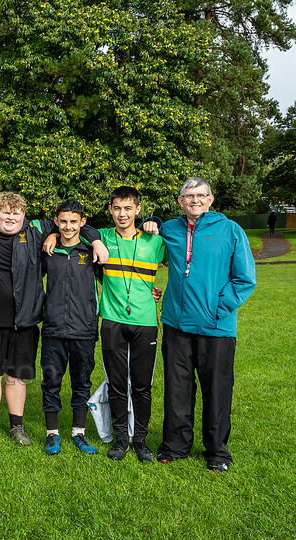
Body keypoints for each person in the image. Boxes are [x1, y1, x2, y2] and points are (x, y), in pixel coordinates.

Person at [0, 193, 107, 448]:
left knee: (16, 376)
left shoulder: (36, 229)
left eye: (16, 213)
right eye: (5, 212)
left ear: (23, 215)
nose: (10, 217)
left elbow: (74, 225)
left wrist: (95, 242)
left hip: (25, 319)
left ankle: (17, 426)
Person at [143, 177, 256, 472]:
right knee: (177, 388)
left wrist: (218, 308)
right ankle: (175, 445)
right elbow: (149, 235)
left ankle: (217, 451)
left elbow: (245, 278)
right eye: (188, 195)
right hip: (176, 326)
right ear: (180, 201)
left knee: (217, 389)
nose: (194, 200)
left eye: (200, 195)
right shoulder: (171, 229)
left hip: (216, 327)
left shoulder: (230, 230)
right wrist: (151, 220)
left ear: (210, 199)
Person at [93, 186, 166, 462]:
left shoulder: (155, 241)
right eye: (116, 208)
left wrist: (156, 222)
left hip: (145, 321)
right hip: (112, 321)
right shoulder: (101, 236)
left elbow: (185, 264)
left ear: (137, 209)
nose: (122, 214)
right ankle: (121, 439)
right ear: (110, 210)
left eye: (127, 208)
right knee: (116, 383)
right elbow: (76, 230)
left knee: (142, 385)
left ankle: (141, 440)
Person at [39, 199, 100, 456]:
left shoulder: (92, 251)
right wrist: (51, 235)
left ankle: (79, 432)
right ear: (56, 221)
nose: (68, 226)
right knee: (51, 380)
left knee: (81, 382)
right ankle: (52, 434)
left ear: (82, 223)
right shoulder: (47, 250)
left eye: (74, 222)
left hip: (84, 328)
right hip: (53, 327)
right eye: (62, 221)